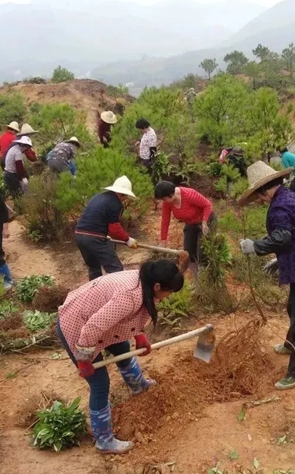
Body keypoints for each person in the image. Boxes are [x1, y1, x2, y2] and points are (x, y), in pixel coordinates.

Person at [57, 258, 186, 453]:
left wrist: (139, 335)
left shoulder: (144, 280)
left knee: (123, 349)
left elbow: (131, 316)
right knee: (100, 384)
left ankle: (138, 386)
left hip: (98, 320)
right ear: (157, 285)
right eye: (169, 291)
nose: (168, 296)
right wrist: (83, 359)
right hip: (78, 326)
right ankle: (104, 441)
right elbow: (93, 327)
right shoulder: (129, 296)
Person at [238, 162, 295, 390]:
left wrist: (255, 246)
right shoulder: (289, 196)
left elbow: (283, 238)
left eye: (258, 196)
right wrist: (281, 259)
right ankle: (290, 344)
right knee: (293, 308)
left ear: (264, 189)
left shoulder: (279, 207)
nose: (258, 200)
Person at [75, 176, 139, 280]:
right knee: (116, 270)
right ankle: (119, 294)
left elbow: (96, 218)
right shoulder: (115, 204)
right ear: (123, 194)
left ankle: (95, 293)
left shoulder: (98, 197)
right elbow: (115, 229)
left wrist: (105, 234)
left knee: (94, 268)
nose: (126, 198)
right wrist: (128, 239)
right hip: (95, 238)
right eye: (126, 196)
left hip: (79, 235)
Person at [155, 181, 215, 268]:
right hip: (190, 224)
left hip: (206, 221)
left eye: (164, 199)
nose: (163, 202)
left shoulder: (189, 194)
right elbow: (165, 221)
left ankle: (204, 276)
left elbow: (207, 205)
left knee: (202, 253)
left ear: (171, 194)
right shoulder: (167, 202)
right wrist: (163, 241)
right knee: (189, 253)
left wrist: (204, 222)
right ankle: (196, 278)